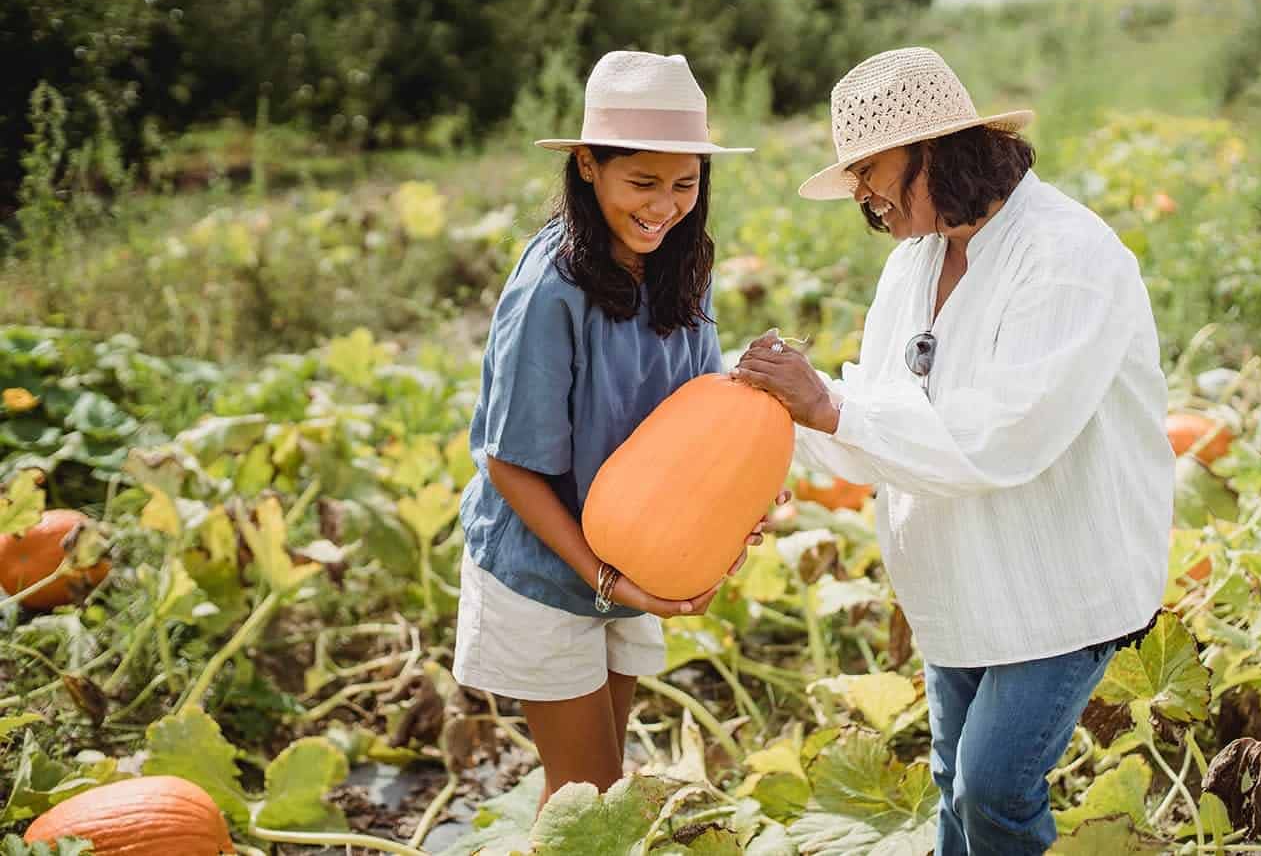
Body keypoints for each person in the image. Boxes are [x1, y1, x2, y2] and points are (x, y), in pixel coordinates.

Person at [731, 47, 1173, 856]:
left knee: (994, 784)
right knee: (951, 781)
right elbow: (877, 420)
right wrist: (781, 426)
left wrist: (827, 402)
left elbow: (1005, 436)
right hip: (957, 581)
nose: (861, 193)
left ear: (935, 150)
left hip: (1058, 584)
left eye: (870, 169)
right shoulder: (914, 264)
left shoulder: (1069, 255)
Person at [453, 50, 783, 808]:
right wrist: (603, 574)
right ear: (588, 166)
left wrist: (746, 488)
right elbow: (509, 464)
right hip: (546, 568)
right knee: (592, 793)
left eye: (684, 183)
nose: (663, 206)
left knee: (585, 800)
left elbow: (700, 412)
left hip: (629, 560)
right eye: (641, 182)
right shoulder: (551, 288)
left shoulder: (682, 266)